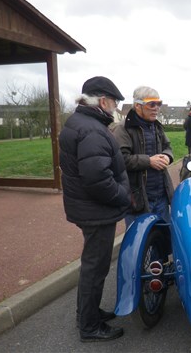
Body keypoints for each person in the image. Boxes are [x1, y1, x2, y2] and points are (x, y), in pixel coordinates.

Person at [59, 76, 130, 342]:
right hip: (96, 210)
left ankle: (87, 313)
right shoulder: (91, 129)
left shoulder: (82, 123)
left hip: (89, 208)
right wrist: (123, 195)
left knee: (93, 266)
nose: (115, 108)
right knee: (95, 267)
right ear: (103, 101)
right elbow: (98, 179)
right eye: (114, 102)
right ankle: (89, 326)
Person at [113, 86, 174, 227]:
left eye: (159, 103)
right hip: (138, 199)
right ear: (138, 106)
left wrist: (167, 156)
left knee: (163, 239)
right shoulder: (123, 129)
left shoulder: (157, 126)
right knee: (140, 243)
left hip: (161, 196)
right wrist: (149, 161)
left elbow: (168, 147)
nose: (156, 108)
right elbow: (120, 159)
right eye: (151, 104)